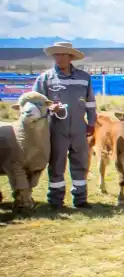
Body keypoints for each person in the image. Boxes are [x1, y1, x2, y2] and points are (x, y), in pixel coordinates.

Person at [33, 41, 96, 209]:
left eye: (62, 54)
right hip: (55, 128)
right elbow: (34, 103)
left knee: (81, 163)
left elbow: (90, 103)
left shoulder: (84, 78)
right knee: (56, 164)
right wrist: (49, 107)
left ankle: (80, 199)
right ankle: (55, 200)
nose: (58, 58)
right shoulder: (45, 78)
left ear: (70, 57)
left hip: (79, 128)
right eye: (56, 54)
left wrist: (91, 123)